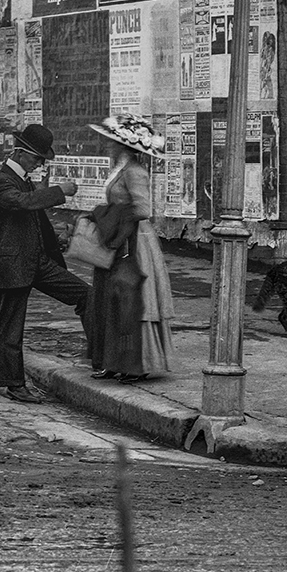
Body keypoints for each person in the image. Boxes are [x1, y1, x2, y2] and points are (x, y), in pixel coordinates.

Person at [0, 123, 89, 404]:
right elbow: (22, 203)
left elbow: (33, 220)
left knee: (86, 295)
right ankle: (12, 384)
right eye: (36, 158)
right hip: (16, 264)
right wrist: (59, 191)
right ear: (20, 153)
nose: (39, 163)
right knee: (10, 328)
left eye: (41, 159)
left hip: (38, 262)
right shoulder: (1, 182)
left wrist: (58, 238)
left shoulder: (24, 180)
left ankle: (100, 358)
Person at [86, 114, 172, 381]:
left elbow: (144, 208)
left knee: (132, 298)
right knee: (112, 299)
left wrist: (111, 216)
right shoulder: (121, 170)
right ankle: (114, 361)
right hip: (120, 238)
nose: (108, 147)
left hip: (134, 241)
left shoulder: (134, 171)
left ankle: (138, 363)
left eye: (113, 143)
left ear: (125, 147)